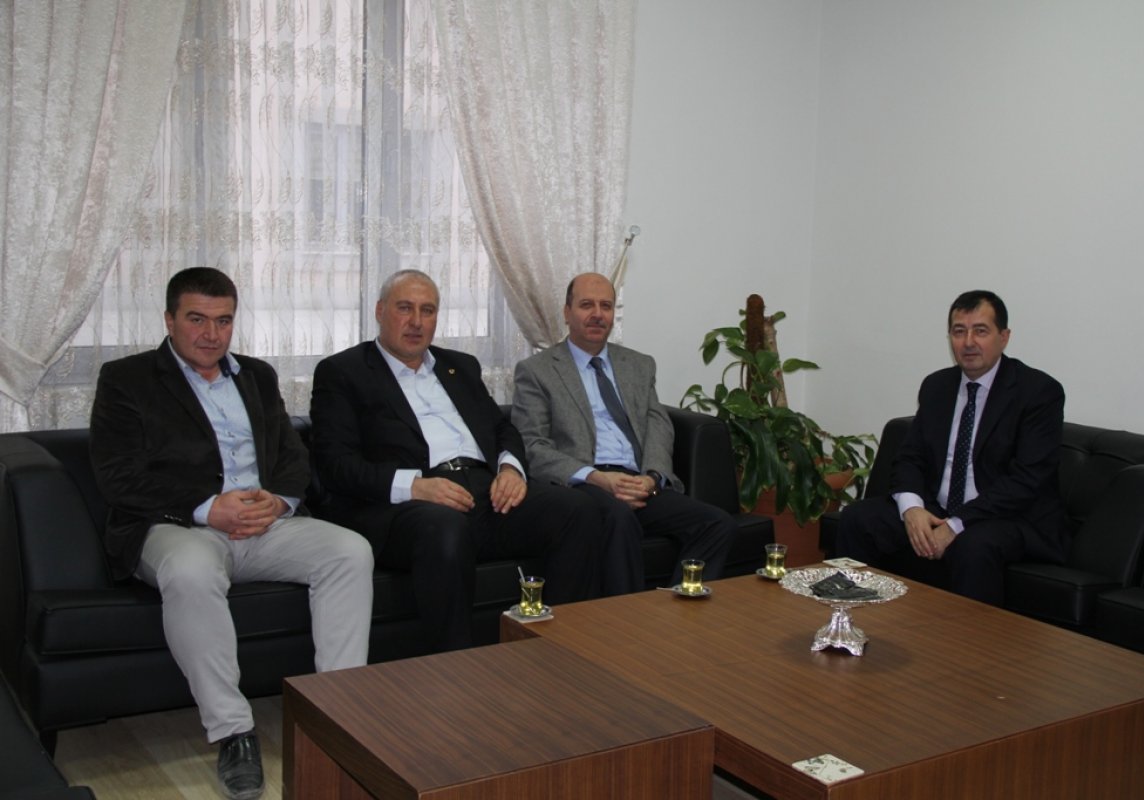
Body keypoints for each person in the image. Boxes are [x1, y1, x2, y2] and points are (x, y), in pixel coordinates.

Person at [89, 267, 373, 800]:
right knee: (191, 570)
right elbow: (117, 476)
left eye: (223, 321)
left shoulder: (257, 376)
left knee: (349, 551)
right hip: (175, 527)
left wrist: (279, 500)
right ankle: (233, 732)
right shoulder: (126, 379)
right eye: (197, 319)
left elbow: (292, 455)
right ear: (169, 319)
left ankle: (338, 713)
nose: (211, 334)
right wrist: (206, 508)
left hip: (264, 524)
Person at [308, 269, 605, 653]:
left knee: (578, 509)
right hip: (408, 506)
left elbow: (501, 428)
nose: (417, 322)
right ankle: (455, 669)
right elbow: (335, 464)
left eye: (428, 310)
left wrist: (510, 469)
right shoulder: (343, 372)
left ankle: (557, 651)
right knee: (444, 528)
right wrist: (415, 486)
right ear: (380, 311)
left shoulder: (460, 366)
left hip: (485, 491)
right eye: (405, 308)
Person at [510, 272, 736, 594]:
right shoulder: (537, 370)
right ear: (567, 312)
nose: (597, 314)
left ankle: (674, 613)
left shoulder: (638, 365)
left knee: (717, 523)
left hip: (638, 481)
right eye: (586, 305)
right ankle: (627, 619)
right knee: (618, 517)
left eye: (606, 306)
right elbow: (532, 444)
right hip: (584, 485)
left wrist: (653, 477)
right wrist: (597, 478)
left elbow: (658, 425)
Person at [835, 290, 1066, 605]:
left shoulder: (1038, 392)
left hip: (1008, 518)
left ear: (1004, 337)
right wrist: (912, 509)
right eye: (959, 331)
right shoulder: (937, 386)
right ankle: (849, 617)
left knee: (972, 545)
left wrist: (956, 524)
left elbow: (1026, 480)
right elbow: (910, 457)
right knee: (858, 518)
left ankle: (969, 637)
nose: (968, 342)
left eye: (980, 331)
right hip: (939, 509)